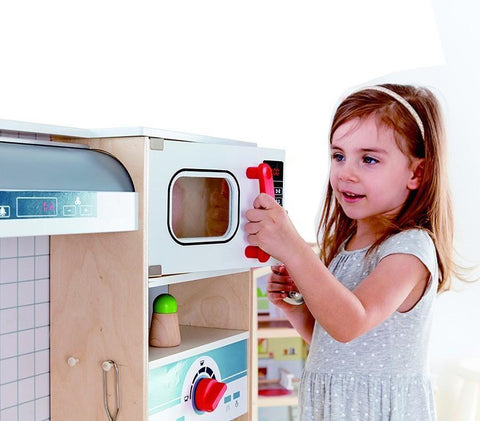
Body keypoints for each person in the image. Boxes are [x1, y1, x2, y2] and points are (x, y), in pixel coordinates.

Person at [245, 84, 456, 420]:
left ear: (416, 172)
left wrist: (297, 250)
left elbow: (349, 323)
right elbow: (335, 342)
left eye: (368, 159)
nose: (346, 172)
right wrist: (297, 309)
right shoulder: (345, 247)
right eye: (338, 155)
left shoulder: (410, 250)